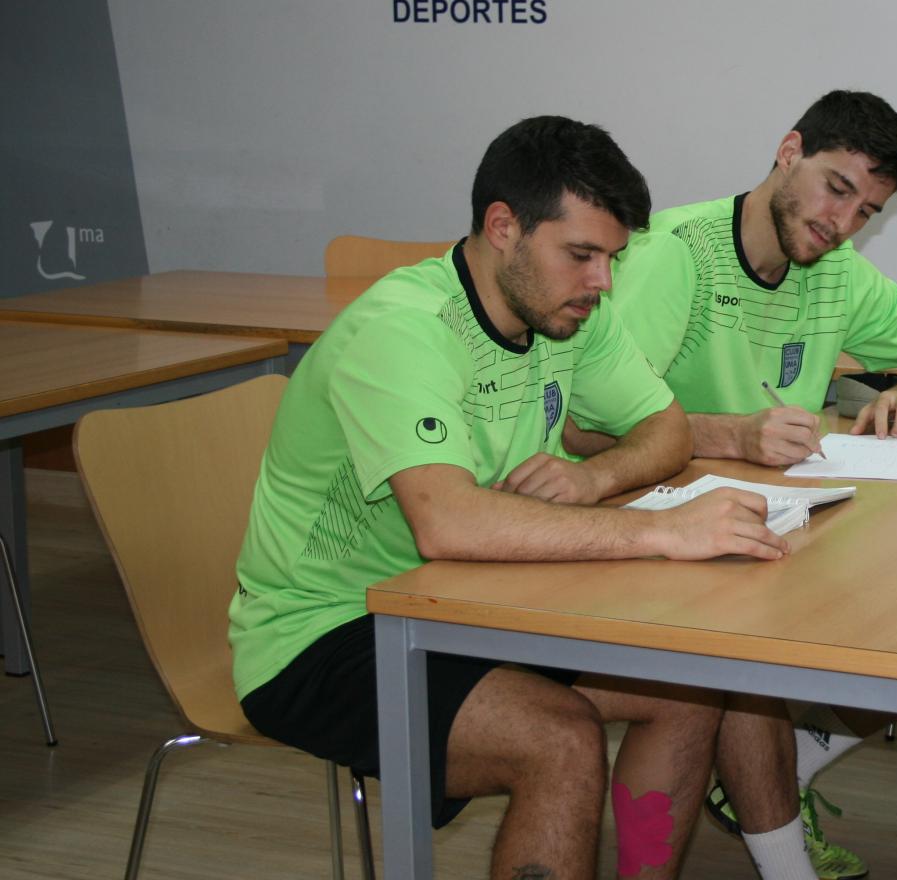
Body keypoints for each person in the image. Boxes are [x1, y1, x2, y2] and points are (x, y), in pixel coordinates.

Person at [230, 115, 793, 880]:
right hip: (326, 632)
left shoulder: (566, 313)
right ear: (503, 227)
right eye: (582, 255)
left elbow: (665, 428)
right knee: (558, 741)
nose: (602, 282)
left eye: (612, 258)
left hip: (470, 602)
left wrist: (592, 479)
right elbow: (447, 520)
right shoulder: (405, 331)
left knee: (686, 687)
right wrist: (661, 533)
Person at [602, 90, 897, 879]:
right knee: (749, 650)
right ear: (788, 151)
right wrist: (733, 433)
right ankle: (783, 853)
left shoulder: (835, 270)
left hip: (777, 519)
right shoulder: (674, 254)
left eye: (866, 211)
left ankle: (782, 796)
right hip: (659, 528)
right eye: (836, 188)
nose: (842, 223)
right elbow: (591, 424)